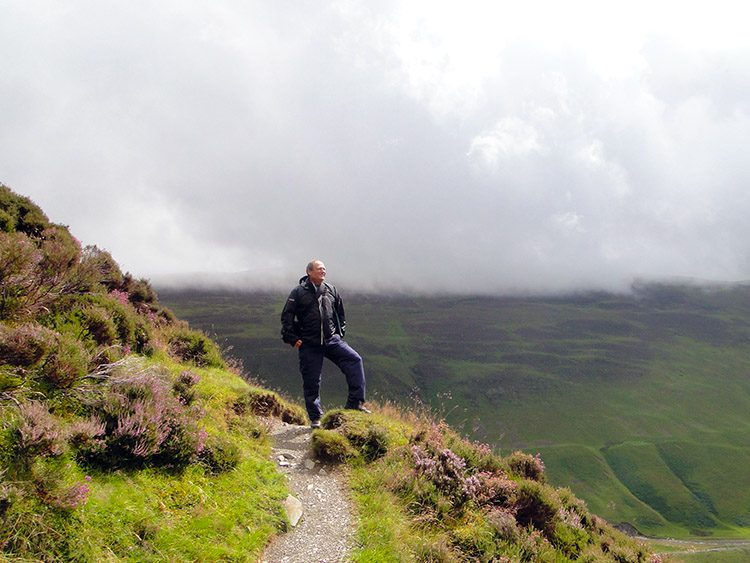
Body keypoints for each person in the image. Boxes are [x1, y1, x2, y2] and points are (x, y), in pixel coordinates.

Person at [281, 260, 370, 428]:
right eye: (320, 269)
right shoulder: (298, 292)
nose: (323, 271)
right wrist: (292, 338)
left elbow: (340, 313)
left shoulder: (331, 290)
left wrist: (339, 332)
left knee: (354, 360)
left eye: (324, 269)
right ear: (309, 271)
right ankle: (315, 418)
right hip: (309, 343)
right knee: (312, 380)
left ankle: (356, 405)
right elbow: (287, 316)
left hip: (331, 340)